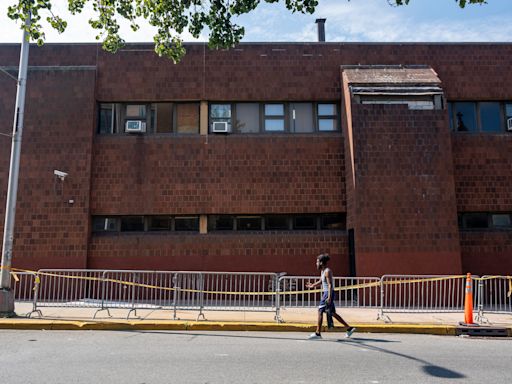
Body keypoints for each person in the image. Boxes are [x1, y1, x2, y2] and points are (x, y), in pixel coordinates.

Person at [306, 253, 356, 339]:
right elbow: (321, 281)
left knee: (320, 311)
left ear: (321, 263)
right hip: (328, 293)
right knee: (332, 313)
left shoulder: (327, 271)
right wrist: (313, 285)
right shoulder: (323, 271)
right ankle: (349, 328)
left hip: (328, 293)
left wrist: (329, 297)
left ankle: (318, 333)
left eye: (317, 262)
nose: (316, 263)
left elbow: (329, 285)